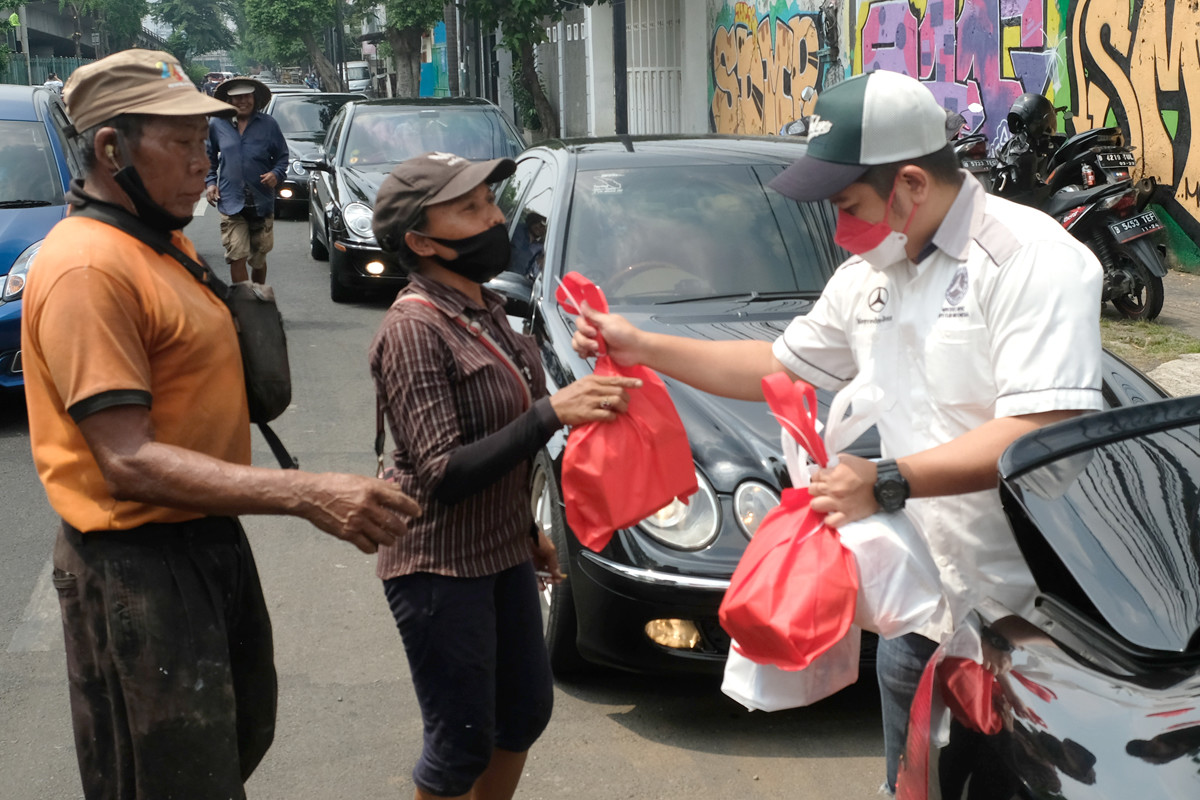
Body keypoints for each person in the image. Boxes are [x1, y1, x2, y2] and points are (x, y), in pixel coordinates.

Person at [569, 70, 1104, 794]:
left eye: (848, 202)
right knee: (909, 787)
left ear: (910, 183)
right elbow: (776, 363)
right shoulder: (871, 273)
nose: (837, 224)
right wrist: (641, 344)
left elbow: (1041, 429)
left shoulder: (1027, 260)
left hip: (1033, 623)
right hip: (922, 615)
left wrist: (887, 481)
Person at [21, 49, 421, 800]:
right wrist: (306, 493)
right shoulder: (89, 268)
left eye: (205, 141)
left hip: (202, 542)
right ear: (111, 150)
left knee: (234, 739)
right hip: (137, 565)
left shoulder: (156, 241)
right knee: (172, 780)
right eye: (182, 143)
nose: (204, 161)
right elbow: (128, 460)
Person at [368, 151, 642, 800]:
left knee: (522, 715)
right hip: (438, 565)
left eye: (491, 201)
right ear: (421, 241)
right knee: (460, 741)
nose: (494, 217)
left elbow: (498, 435)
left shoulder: (485, 305)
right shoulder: (412, 328)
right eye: (469, 209)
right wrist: (552, 413)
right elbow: (441, 472)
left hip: (500, 552)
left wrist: (523, 528)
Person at [205, 76, 288, 284]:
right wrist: (211, 183)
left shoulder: (268, 124)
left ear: (254, 98)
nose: (242, 101)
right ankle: (244, 306)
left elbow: (282, 157)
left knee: (258, 259)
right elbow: (208, 158)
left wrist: (275, 174)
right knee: (236, 256)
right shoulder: (217, 124)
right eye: (237, 98)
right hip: (231, 201)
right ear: (229, 101)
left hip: (261, 200)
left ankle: (258, 299)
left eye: (246, 96)